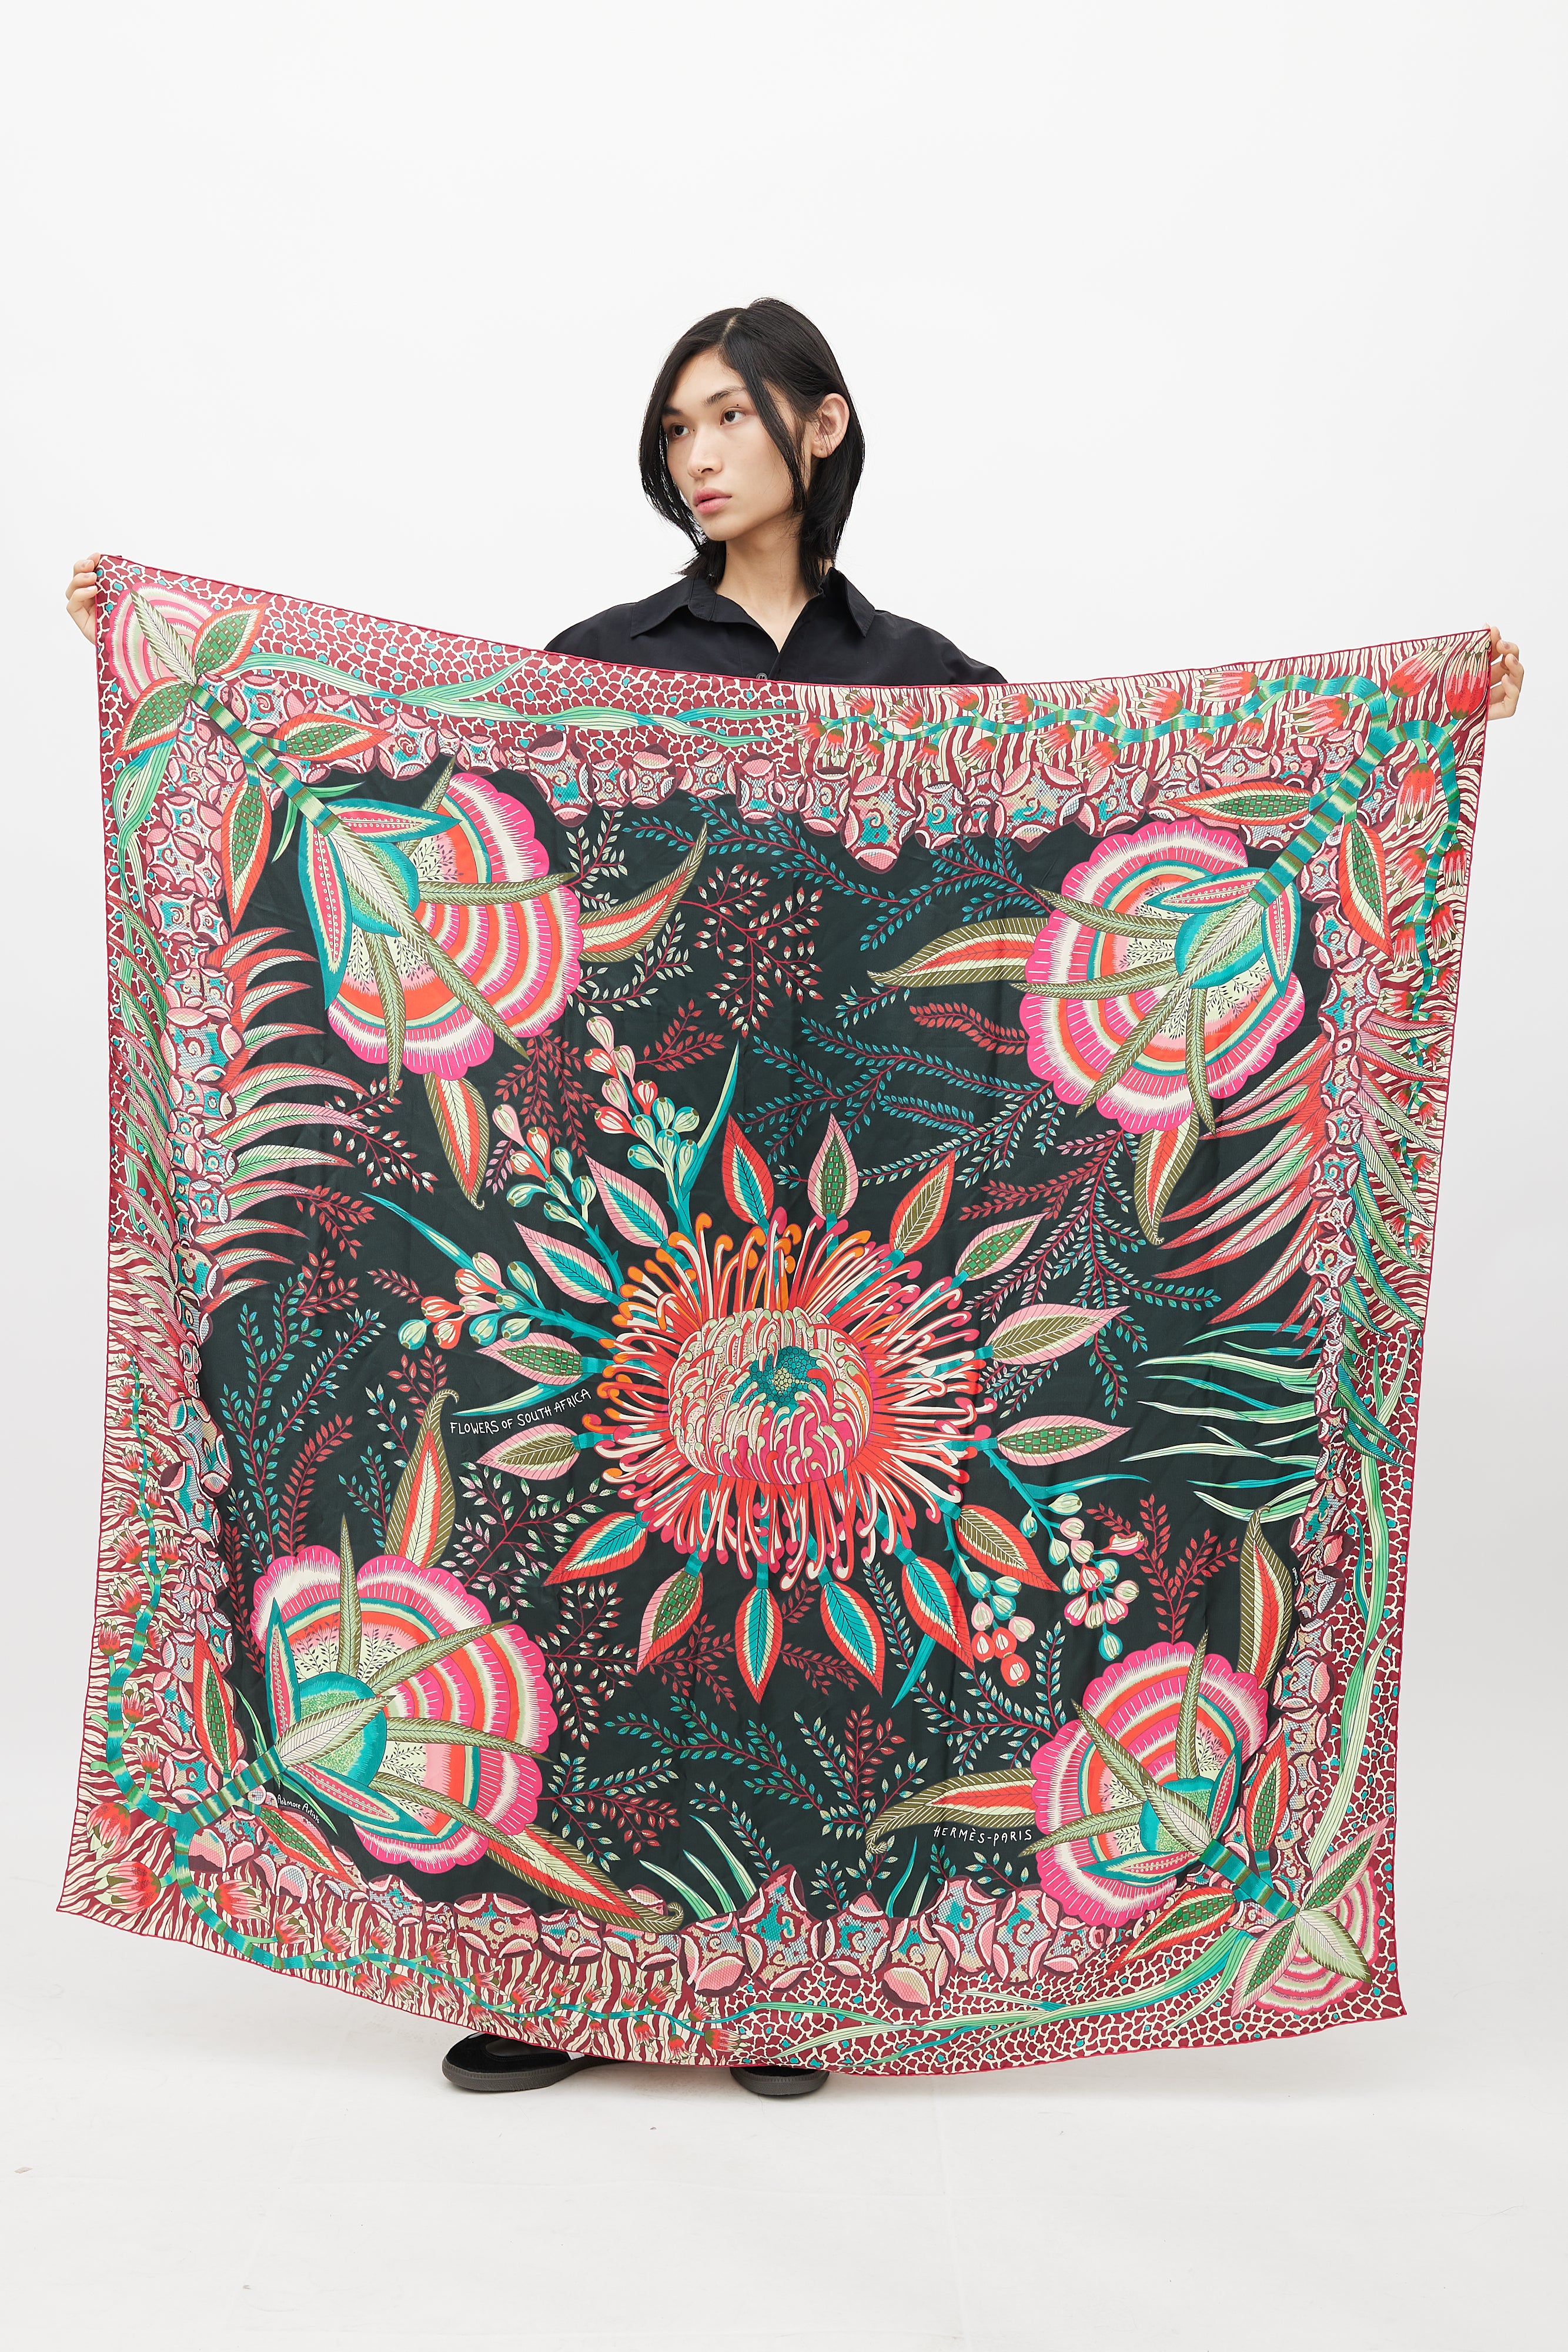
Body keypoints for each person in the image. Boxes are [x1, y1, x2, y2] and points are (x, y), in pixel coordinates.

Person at [62, 301, 1526, 2103]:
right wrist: (153, 641)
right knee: (577, 1622)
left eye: (727, 418)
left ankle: (792, 1983)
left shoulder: (926, 679)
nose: (695, 455)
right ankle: (555, 1985)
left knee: (837, 1669)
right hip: (631, 1216)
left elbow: (1054, 874)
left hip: (875, 1232)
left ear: (820, 426)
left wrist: (1418, 713)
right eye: (673, 426)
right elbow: (473, 836)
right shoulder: (598, 663)